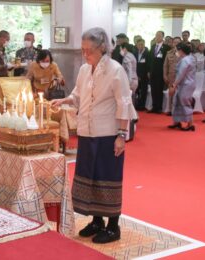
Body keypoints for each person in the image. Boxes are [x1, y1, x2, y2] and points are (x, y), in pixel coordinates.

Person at [51, 27, 136, 244]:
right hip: (87, 133)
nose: (85, 54)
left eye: (89, 50)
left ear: (102, 48)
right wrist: (64, 101)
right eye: (82, 50)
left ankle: (113, 226)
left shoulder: (116, 71)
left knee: (108, 177)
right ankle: (97, 220)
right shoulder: (84, 69)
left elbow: (124, 103)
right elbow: (78, 95)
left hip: (108, 134)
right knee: (90, 177)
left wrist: (121, 135)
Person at [168, 43, 196, 131]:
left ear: (181, 50)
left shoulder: (185, 60)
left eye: (176, 50)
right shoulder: (187, 58)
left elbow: (181, 74)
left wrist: (174, 85)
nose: (176, 52)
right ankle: (177, 122)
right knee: (177, 102)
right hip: (185, 84)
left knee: (185, 103)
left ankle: (190, 124)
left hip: (186, 84)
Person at [149, 30, 170, 113]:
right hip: (153, 72)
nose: (157, 37)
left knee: (159, 89)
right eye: (156, 35)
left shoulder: (166, 48)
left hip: (161, 72)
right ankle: (154, 106)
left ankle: (159, 107)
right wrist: (149, 71)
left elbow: (167, 61)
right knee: (153, 89)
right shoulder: (153, 46)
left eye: (159, 35)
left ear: (162, 37)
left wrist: (166, 73)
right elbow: (150, 60)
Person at [163, 37, 182, 115]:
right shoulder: (169, 53)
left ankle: (178, 110)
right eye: (175, 42)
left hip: (181, 77)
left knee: (180, 94)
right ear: (173, 43)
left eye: (178, 42)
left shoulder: (184, 53)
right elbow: (165, 66)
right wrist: (165, 75)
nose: (176, 44)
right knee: (171, 93)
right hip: (171, 76)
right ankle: (171, 110)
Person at [135, 38, 150, 110]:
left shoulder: (148, 53)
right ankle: (137, 104)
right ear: (136, 45)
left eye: (142, 44)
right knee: (137, 90)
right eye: (139, 44)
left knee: (144, 90)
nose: (140, 46)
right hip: (136, 75)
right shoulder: (135, 53)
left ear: (144, 45)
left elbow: (149, 65)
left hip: (144, 75)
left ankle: (142, 105)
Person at [193, 43, 205, 113]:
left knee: (204, 89)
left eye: (203, 46)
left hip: (204, 73)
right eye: (200, 45)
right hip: (196, 73)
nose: (201, 47)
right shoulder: (195, 55)